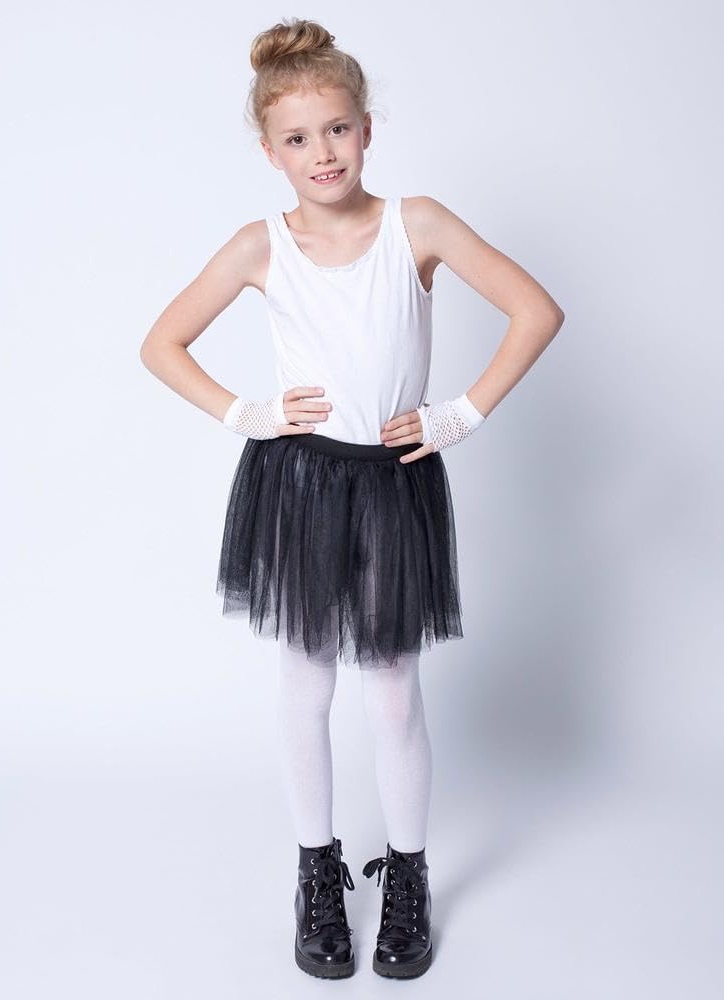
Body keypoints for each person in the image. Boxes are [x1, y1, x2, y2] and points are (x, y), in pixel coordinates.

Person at [140, 16, 564, 981]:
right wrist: (247, 413)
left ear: (366, 129)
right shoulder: (259, 246)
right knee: (305, 683)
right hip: (297, 482)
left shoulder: (419, 225)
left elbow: (535, 310)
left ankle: (407, 875)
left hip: (390, 480)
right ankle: (316, 873)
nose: (321, 152)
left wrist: (459, 414)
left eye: (336, 129)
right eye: (297, 138)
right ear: (270, 152)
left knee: (392, 689)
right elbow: (161, 344)